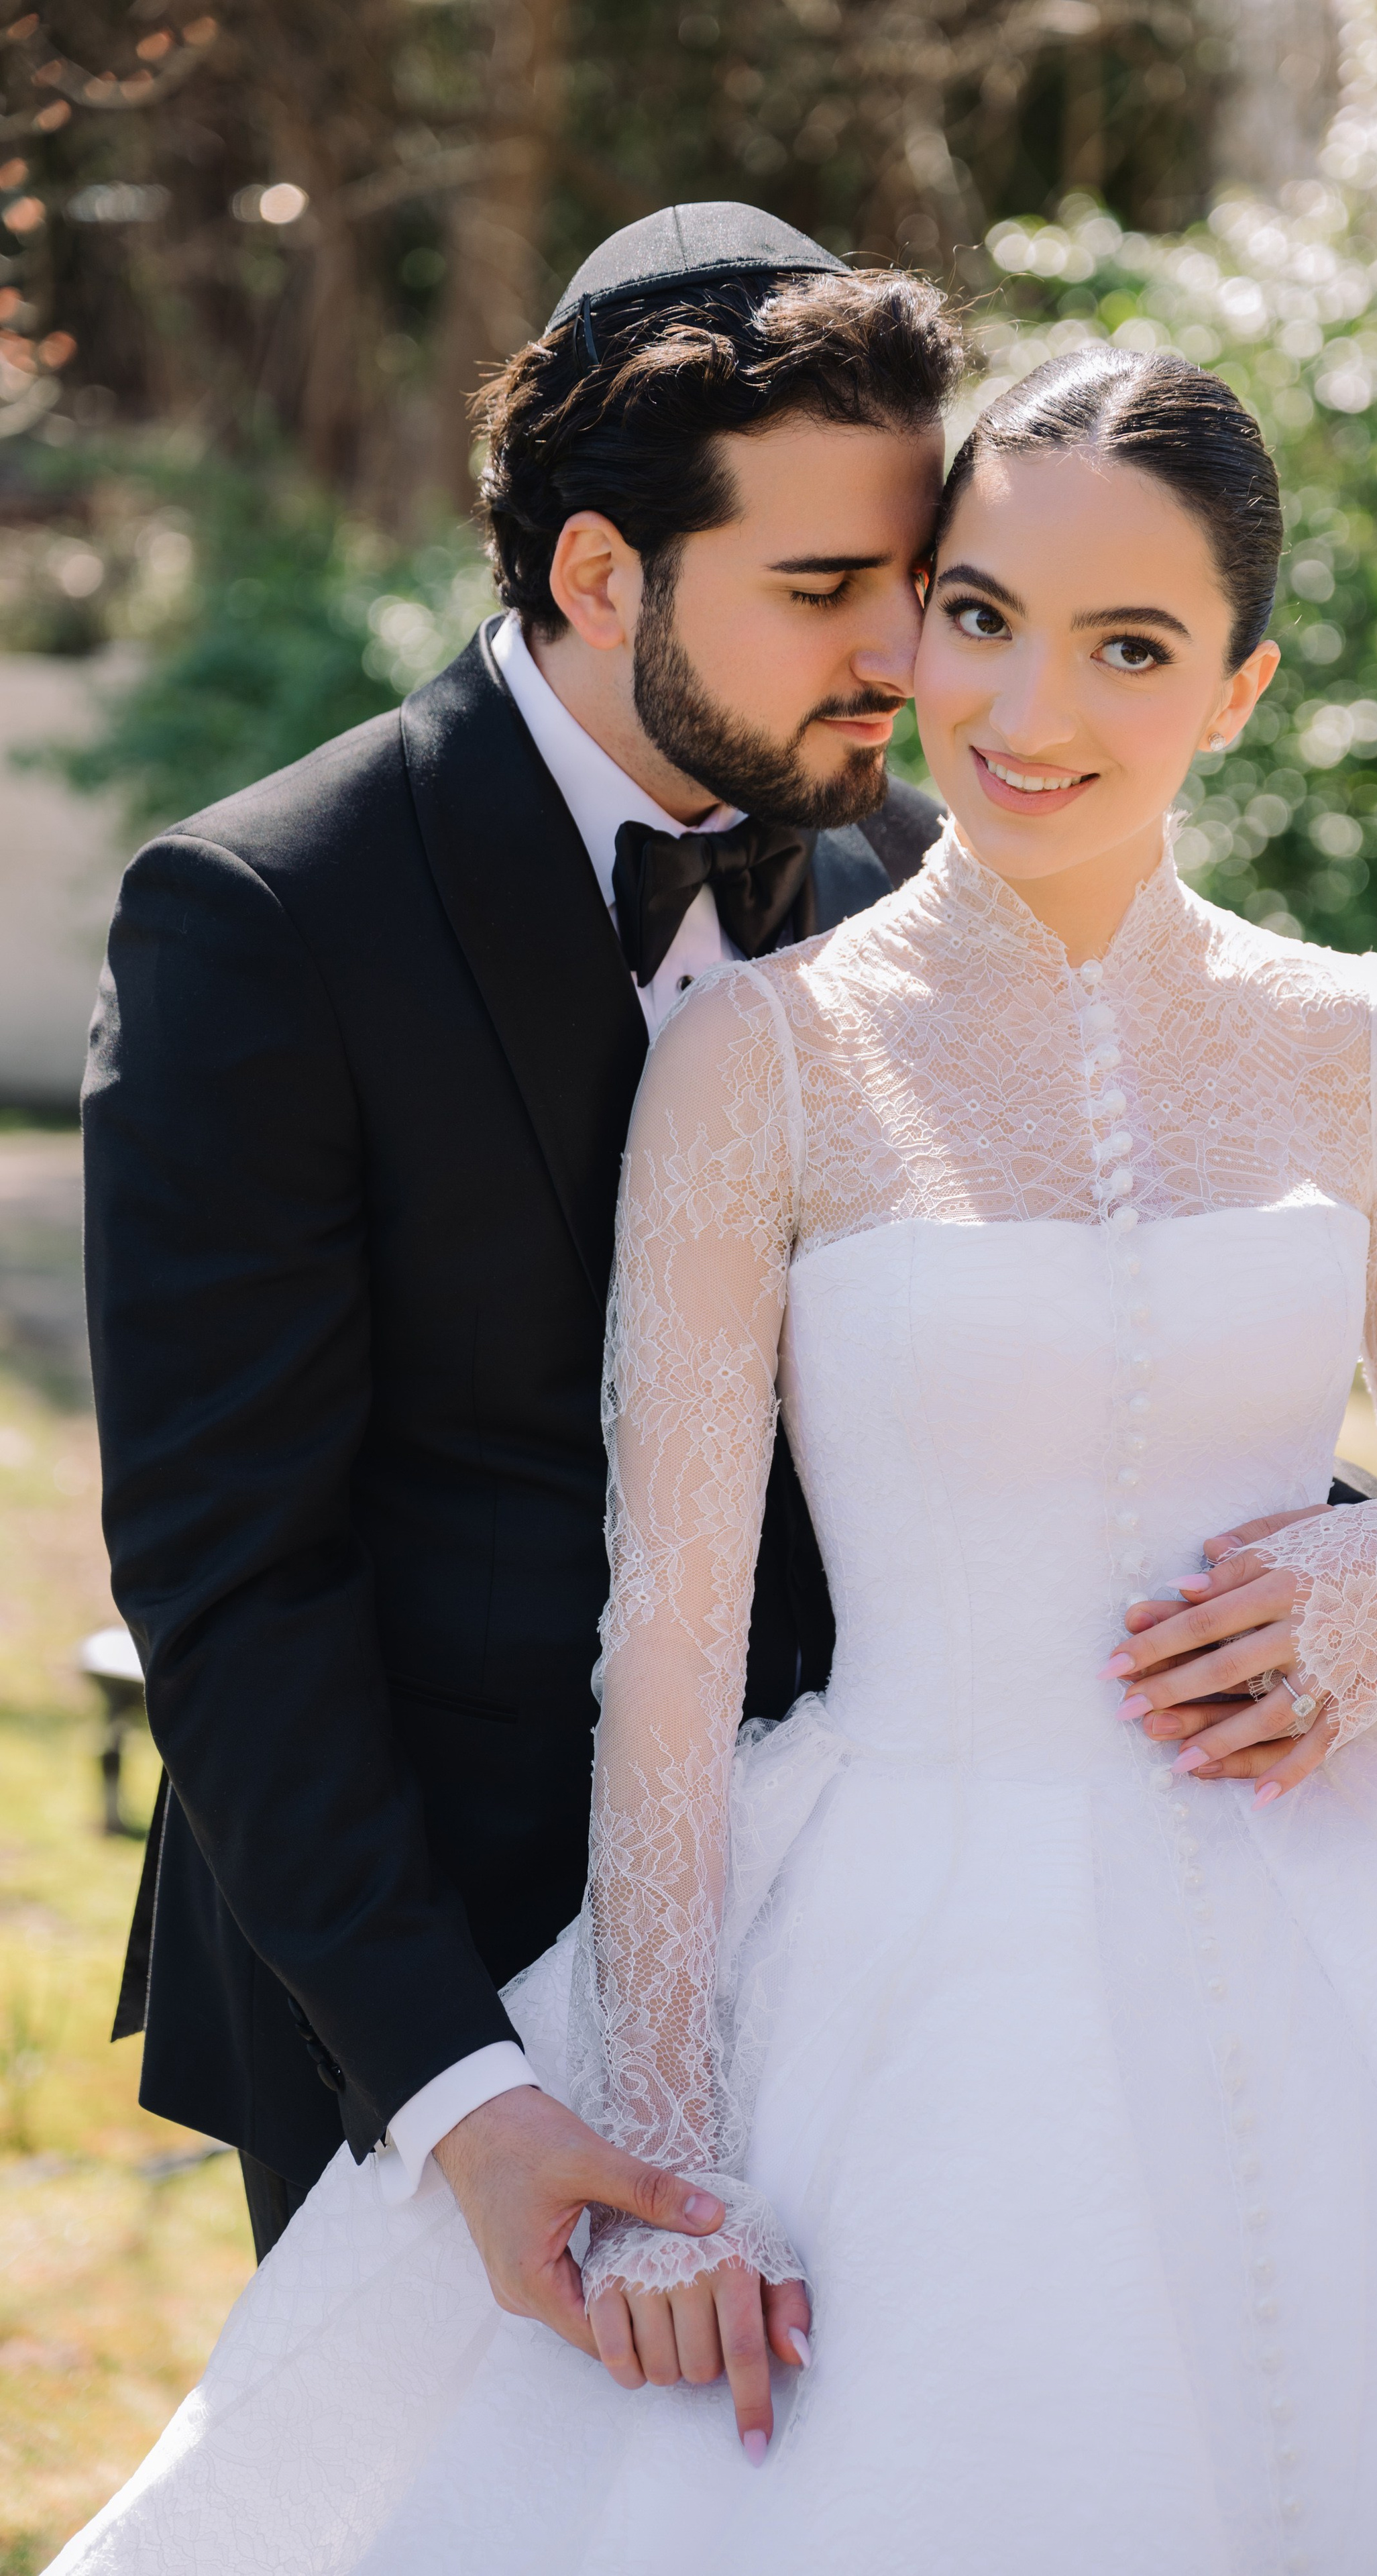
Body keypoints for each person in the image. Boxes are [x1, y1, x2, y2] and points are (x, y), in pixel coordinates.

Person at [59, 347, 1377, 2575]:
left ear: (1239, 691)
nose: (1027, 705)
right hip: (908, 1927)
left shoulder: (1363, 1037)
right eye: (978, 614)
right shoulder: (764, 1052)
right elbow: (665, 1639)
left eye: (1130, 647)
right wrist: (658, 2140)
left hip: (1360, 1911)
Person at [80, 200, 962, 2373]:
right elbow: (234, 1575)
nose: (903, 657)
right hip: (431, 1979)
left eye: (917, 587)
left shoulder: (909, 874)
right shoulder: (265, 917)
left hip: (854, 1920)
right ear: (599, 575)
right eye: (826, 591)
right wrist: (466, 2100)